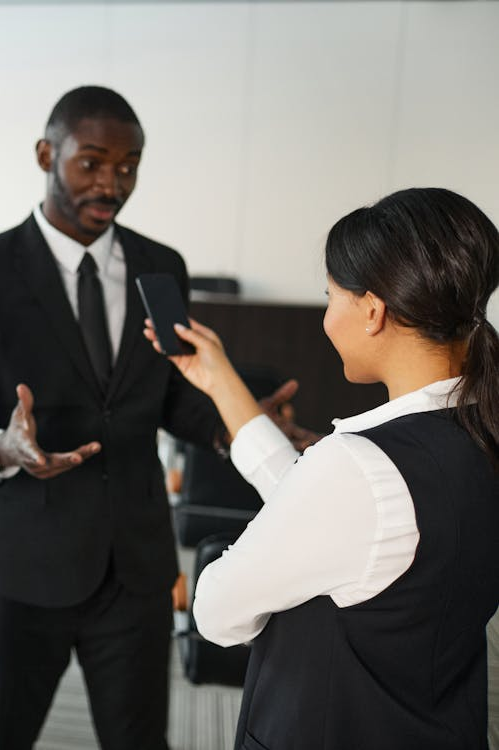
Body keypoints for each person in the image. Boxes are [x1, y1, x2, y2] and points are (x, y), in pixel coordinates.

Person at [0, 86, 303, 750]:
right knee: (1, 738)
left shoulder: (161, 267)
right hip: (22, 568)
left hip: (136, 567)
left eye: (128, 166)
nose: (111, 183)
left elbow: (170, 396)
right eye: (90, 162)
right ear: (45, 154)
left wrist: (233, 424)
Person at [147, 187, 499, 750]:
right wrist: (218, 378)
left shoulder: (357, 468)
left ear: (373, 309)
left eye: (330, 295)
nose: (326, 316)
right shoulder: (477, 430)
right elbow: (343, 524)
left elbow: (216, 612)